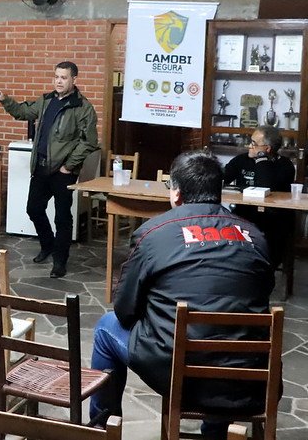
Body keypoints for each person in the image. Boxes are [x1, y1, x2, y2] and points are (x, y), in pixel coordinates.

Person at [89, 151, 274, 439]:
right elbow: (262, 293)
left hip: (180, 376)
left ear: (176, 192)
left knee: (106, 327)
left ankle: (102, 429)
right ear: (218, 191)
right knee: (226, 333)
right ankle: (215, 431)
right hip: (250, 377)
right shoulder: (256, 236)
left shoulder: (153, 233)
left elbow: (124, 310)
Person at [0, 60, 98, 278]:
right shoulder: (46, 100)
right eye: (56, 77)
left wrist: (69, 165)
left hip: (63, 172)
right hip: (40, 167)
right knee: (34, 209)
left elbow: (89, 142)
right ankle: (48, 244)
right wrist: (4, 99)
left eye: (64, 77)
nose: (59, 81)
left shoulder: (83, 107)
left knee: (62, 218)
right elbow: (23, 112)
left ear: (74, 79)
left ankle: (60, 261)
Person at [223, 124, 295, 268]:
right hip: (244, 215)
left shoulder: (285, 165)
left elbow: (266, 186)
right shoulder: (241, 160)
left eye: (254, 143)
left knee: (272, 242)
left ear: (267, 149)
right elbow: (223, 178)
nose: (249, 146)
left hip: (273, 218)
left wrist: (261, 159)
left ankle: (264, 269)